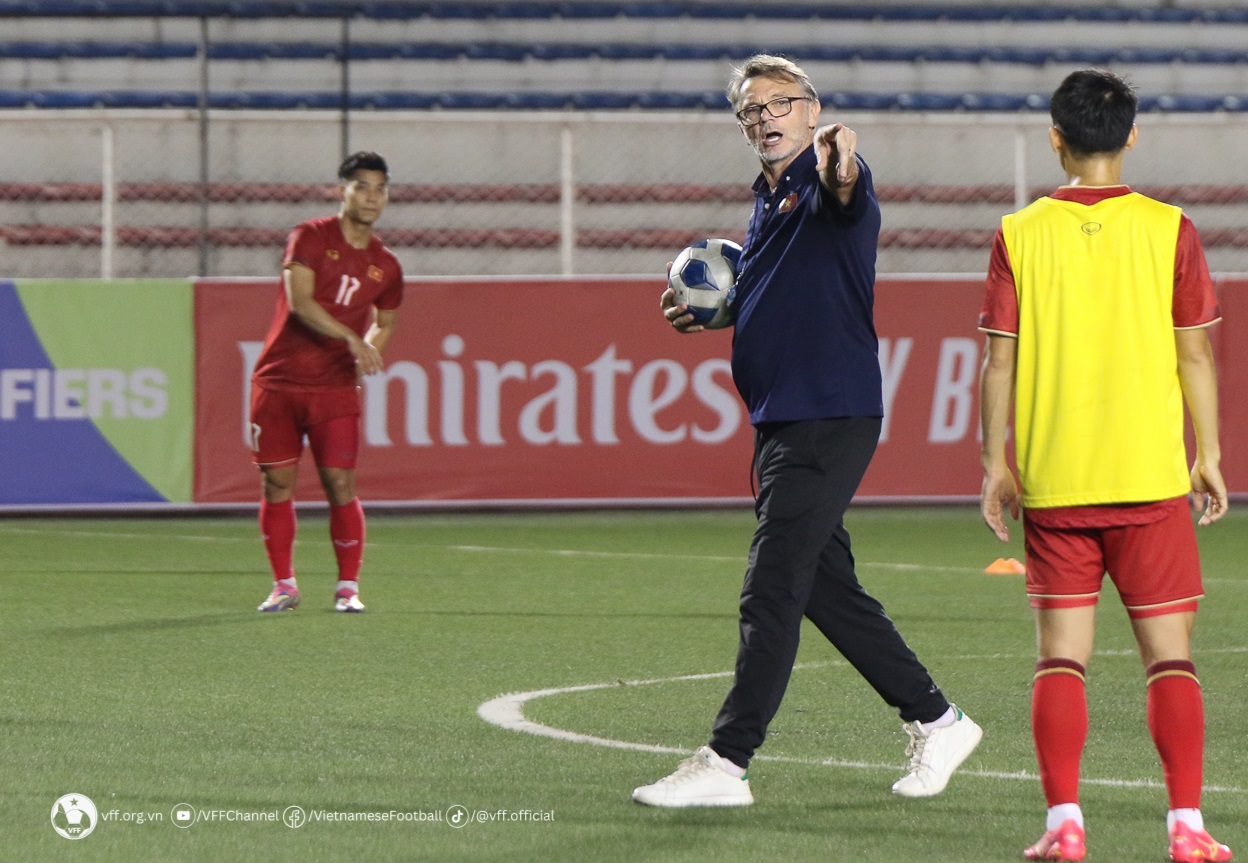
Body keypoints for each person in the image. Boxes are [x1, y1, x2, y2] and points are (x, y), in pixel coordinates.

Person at [631, 54, 982, 809]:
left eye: (778, 103)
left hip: (827, 410)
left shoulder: (826, 179)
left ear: (812, 110)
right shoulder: (767, 203)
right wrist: (707, 314)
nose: (764, 117)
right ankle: (936, 717)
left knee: (771, 584)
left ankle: (727, 761)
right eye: (750, 110)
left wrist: (844, 166)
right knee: (825, 588)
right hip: (784, 415)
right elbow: (768, 292)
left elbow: (847, 194)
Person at [979, 69, 1232, 863]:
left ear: (1055, 138)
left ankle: (1064, 823)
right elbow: (1194, 351)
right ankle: (1186, 827)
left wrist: (996, 462)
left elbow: (998, 362)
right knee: (1172, 658)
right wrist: (1211, 454)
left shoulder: (1018, 233)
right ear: (1131, 135)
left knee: (1061, 657)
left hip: (1057, 480)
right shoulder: (1171, 228)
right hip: (1152, 476)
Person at [248, 151, 403, 614]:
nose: (372, 197)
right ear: (342, 191)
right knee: (277, 484)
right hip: (278, 382)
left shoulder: (387, 264)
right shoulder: (310, 237)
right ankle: (284, 585)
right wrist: (355, 338)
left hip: (334, 388)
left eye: (380, 188)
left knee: (341, 484)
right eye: (362, 187)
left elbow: (388, 321)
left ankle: (348, 588)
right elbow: (301, 303)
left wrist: (369, 349)